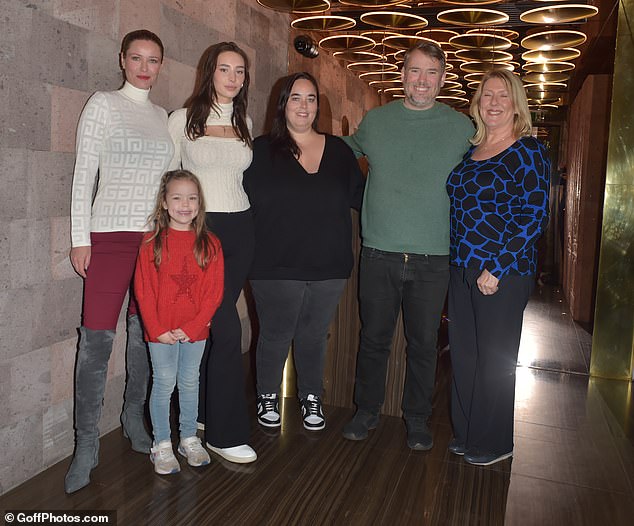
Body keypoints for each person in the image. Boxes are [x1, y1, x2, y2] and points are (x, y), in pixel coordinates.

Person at [341, 42, 474, 450]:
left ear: (443, 78)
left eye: (431, 72)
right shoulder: (376, 122)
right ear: (402, 75)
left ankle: (417, 419)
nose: (421, 80)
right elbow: (338, 155)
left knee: (423, 344)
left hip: (434, 258)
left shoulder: (462, 128)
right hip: (379, 252)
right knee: (374, 339)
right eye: (414, 71)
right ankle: (366, 411)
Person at [66, 29, 174, 493]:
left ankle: (133, 420)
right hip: (107, 237)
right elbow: (83, 172)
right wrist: (79, 237)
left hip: (153, 242)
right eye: (136, 58)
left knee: (142, 335)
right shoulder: (103, 104)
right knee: (95, 341)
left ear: (161, 65)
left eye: (153, 60)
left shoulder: (163, 116)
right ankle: (86, 445)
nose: (144, 67)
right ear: (122, 60)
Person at [243, 72, 365, 431]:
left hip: (329, 265)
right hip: (274, 264)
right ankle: (268, 394)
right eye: (295, 98)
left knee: (314, 335)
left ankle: (312, 395)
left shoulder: (340, 151)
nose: (304, 106)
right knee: (276, 333)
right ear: (282, 105)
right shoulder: (260, 150)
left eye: (311, 99)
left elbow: (363, 197)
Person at [446, 68, 550, 466]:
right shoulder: (469, 153)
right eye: (487, 95)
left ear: (515, 105)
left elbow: (534, 214)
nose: (493, 102)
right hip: (462, 267)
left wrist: (499, 266)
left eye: (502, 96)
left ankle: (494, 442)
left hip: (502, 272)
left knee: (494, 359)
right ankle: (468, 431)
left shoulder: (528, 151)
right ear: (477, 104)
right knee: (466, 355)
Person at [167, 42, 256, 463]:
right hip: (204, 231)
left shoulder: (245, 121)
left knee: (210, 323)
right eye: (225, 70)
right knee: (226, 329)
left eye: (240, 71)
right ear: (210, 72)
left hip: (241, 229)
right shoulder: (182, 120)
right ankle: (224, 432)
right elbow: (168, 181)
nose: (233, 78)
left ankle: (202, 413)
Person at [134, 170, 224, 475]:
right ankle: (161, 443)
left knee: (189, 382)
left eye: (192, 198)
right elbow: (143, 291)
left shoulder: (210, 244)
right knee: (163, 384)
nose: (185, 204)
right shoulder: (151, 243)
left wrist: (194, 326)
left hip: (195, 332)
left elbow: (214, 293)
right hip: (160, 333)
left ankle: (188, 438)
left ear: (199, 203)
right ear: (164, 202)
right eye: (177, 197)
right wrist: (158, 329)